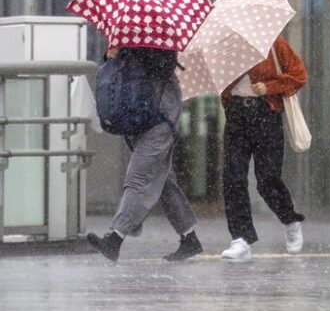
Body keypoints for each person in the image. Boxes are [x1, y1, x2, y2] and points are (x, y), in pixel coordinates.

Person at [87, 47, 202, 262]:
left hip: (160, 121)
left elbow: (159, 65)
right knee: (165, 183)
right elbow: (121, 70)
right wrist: (112, 55)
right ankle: (189, 238)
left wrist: (127, 52)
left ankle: (115, 239)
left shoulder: (161, 42)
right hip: (140, 120)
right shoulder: (133, 36)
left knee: (137, 178)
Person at [220, 36, 308, 261]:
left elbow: (299, 76)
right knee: (233, 178)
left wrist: (268, 87)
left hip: (266, 114)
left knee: (267, 179)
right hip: (236, 115)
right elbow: (221, 83)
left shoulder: (273, 42)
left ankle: (290, 219)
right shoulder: (227, 47)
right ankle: (241, 238)